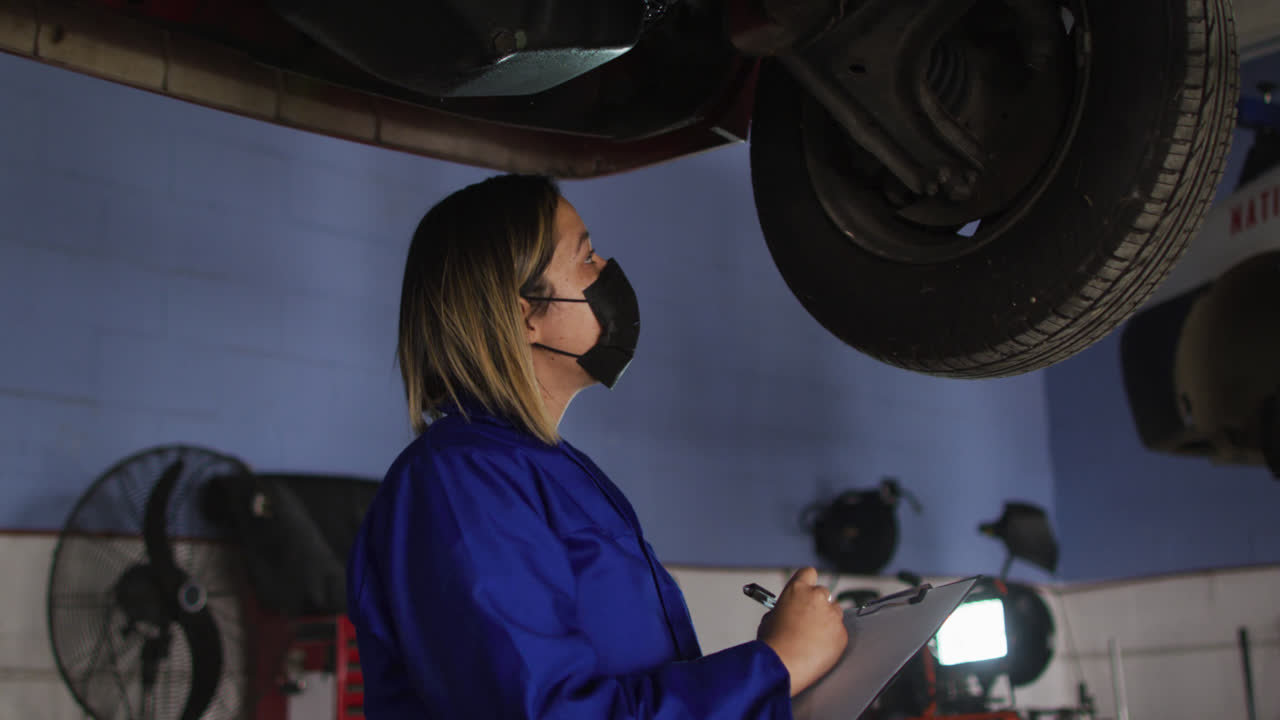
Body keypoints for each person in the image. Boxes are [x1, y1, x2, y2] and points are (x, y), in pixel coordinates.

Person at [346, 174, 848, 719]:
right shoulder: (460, 481)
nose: (607, 270)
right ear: (526, 315)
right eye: (586, 257)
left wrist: (775, 668)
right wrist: (778, 664)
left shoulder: (550, 468)